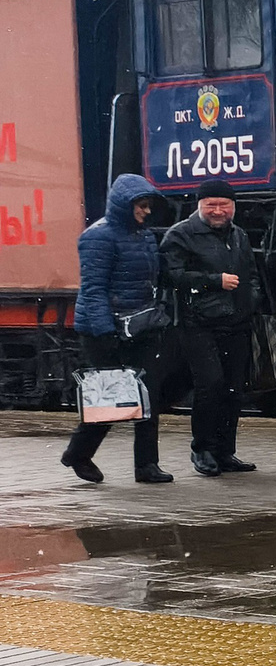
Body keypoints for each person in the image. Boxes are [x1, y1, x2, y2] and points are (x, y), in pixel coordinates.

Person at [61, 172, 174, 486]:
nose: (146, 211)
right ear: (125, 204)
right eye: (141, 205)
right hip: (104, 330)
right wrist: (104, 332)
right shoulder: (97, 237)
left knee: (148, 394)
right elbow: (93, 289)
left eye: (148, 205)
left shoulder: (144, 236)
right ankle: (78, 453)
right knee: (111, 398)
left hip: (139, 326)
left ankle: (147, 465)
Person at [160, 177, 260, 478]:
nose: (218, 211)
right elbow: (170, 276)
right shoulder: (180, 235)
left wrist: (252, 300)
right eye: (211, 205)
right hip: (198, 323)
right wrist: (214, 282)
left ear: (233, 206)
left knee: (233, 389)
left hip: (236, 321)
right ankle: (202, 449)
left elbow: (251, 273)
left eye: (224, 205)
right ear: (199, 205)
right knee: (210, 384)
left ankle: (225, 451)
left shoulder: (239, 235)